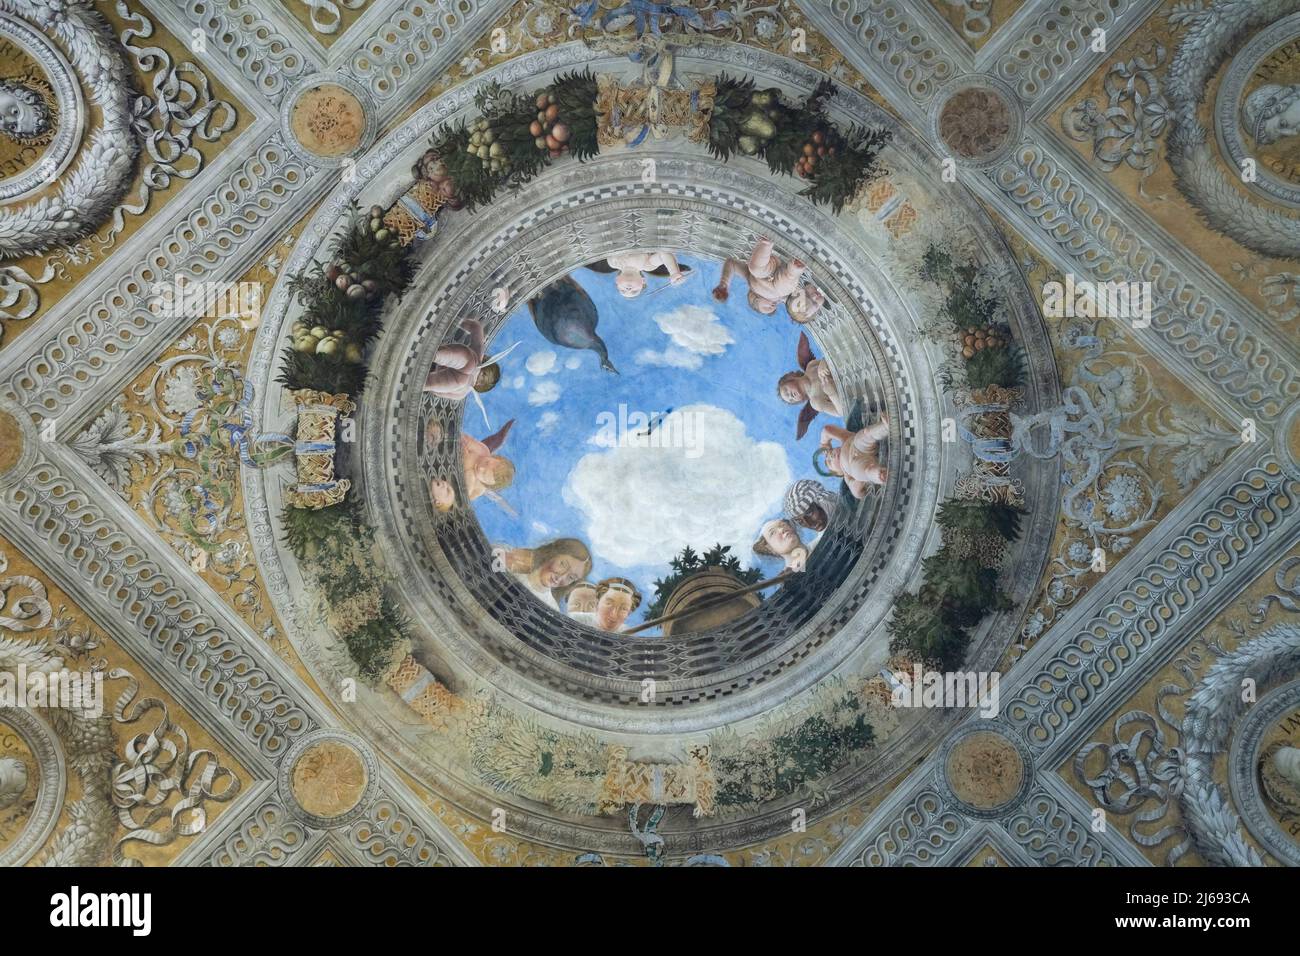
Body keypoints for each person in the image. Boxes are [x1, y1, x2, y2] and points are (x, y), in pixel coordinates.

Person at [713, 236, 825, 323]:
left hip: (765, 271)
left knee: (755, 269)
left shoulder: (750, 280)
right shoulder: (782, 297)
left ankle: (766, 244)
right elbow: (792, 301)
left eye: (765, 308)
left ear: (753, 297)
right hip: (782, 281)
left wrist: (724, 284)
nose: (771, 307)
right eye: (772, 309)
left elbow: (731, 264)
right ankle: (795, 268)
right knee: (785, 287)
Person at [496, 538, 593, 610]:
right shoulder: (509, 559)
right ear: (552, 554)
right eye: (563, 564)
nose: (561, 577)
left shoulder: (551, 607)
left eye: (571, 577)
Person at [818, 415, 890, 499]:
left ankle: (885, 427)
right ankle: (879, 475)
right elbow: (856, 492)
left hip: (858, 445)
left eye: (831, 452)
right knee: (866, 471)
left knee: (866, 434)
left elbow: (827, 429)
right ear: (839, 473)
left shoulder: (845, 439)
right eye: (830, 462)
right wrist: (858, 481)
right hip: (856, 466)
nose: (830, 456)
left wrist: (824, 443)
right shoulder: (846, 474)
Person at [461, 419, 515, 503]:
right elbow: (462, 438)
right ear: (492, 457)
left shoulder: (479, 488)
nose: (481, 468)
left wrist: (468, 484)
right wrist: (464, 451)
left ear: (485, 484)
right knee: (497, 440)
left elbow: (464, 501)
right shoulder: (481, 451)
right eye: (487, 463)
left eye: (484, 474)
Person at [605, 251, 687, 298]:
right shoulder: (647, 265)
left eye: (623, 290)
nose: (629, 290)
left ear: (617, 280)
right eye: (634, 291)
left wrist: (616, 256)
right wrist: (674, 272)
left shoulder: (614, 263)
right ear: (643, 281)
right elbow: (664, 254)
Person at [571, 577, 641, 632]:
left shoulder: (627, 634)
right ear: (597, 602)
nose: (614, 614)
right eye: (609, 604)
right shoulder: (575, 620)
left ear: (629, 613)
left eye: (623, 608)